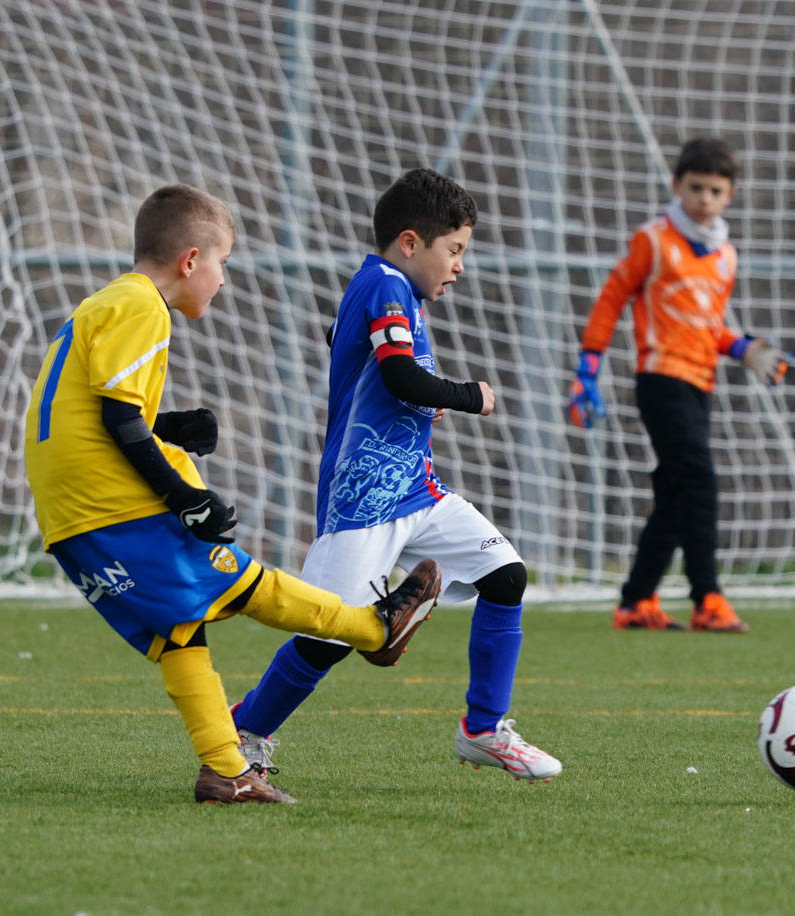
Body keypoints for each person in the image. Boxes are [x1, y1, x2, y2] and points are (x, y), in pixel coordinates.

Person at [23, 184, 442, 805]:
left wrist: (168, 428)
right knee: (247, 584)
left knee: (180, 631)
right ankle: (374, 630)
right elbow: (117, 419)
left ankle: (225, 771)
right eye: (222, 263)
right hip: (112, 508)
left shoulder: (101, 305)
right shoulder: (142, 306)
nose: (222, 280)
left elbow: (93, 414)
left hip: (70, 516)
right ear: (190, 260)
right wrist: (181, 496)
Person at [229, 168, 561, 783]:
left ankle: (483, 730)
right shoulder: (384, 282)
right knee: (326, 636)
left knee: (506, 575)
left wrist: (414, 397)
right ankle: (243, 733)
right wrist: (469, 395)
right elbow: (399, 375)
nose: (459, 266)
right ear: (411, 244)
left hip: (418, 490)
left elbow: (375, 366)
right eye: (454, 250)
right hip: (361, 500)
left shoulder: (392, 293)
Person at [568, 138, 788, 633]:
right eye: (695, 188)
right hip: (660, 379)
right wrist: (588, 366)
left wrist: (742, 348)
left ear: (729, 195)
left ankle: (636, 601)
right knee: (701, 481)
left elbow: (707, 327)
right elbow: (611, 299)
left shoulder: (725, 256)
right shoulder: (653, 239)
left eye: (715, 190)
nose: (704, 198)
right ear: (676, 186)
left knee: (674, 492)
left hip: (698, 385)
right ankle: (707, 596)